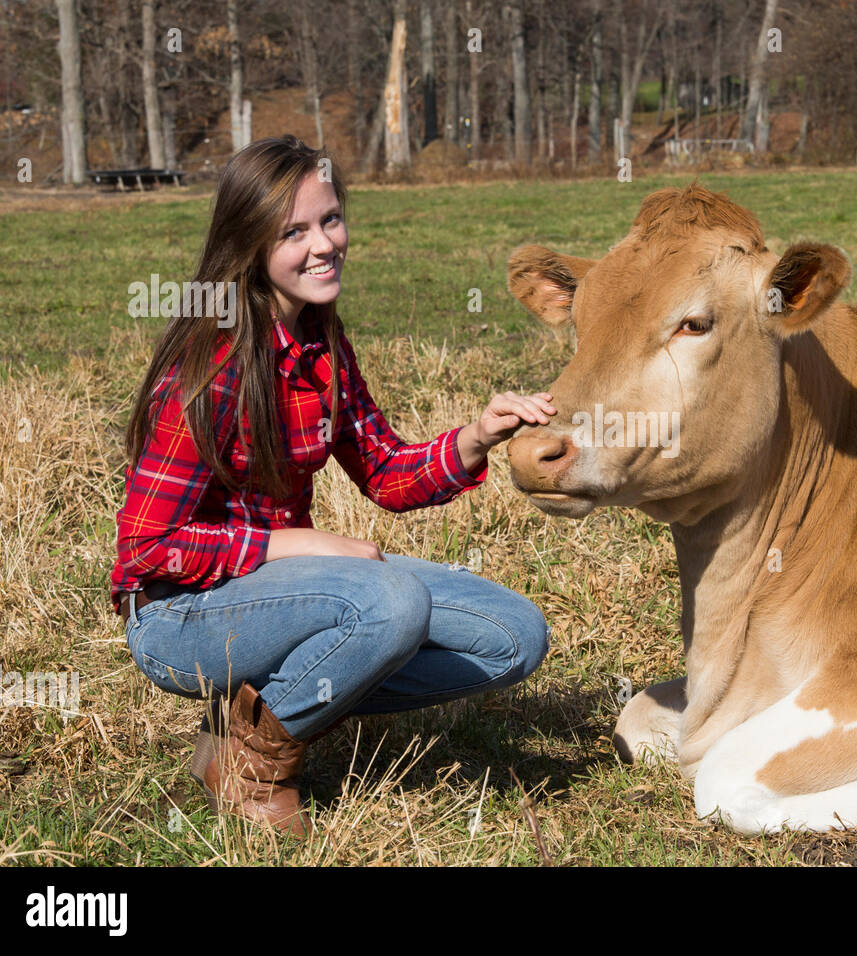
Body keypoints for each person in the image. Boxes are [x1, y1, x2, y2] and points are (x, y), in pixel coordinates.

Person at [111, 136, 556, 838]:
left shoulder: (322, 341)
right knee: (390, 602)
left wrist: (477, 435)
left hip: (283, 593)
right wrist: (299, 545)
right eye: (294, 232)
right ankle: (248, 765)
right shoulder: (216, 362)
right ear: (250, 245)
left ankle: (270, 703)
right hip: (178, 617)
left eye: (331, 220)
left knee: (514, 636)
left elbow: (384, 471)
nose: (324, 244)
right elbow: (146, 547)